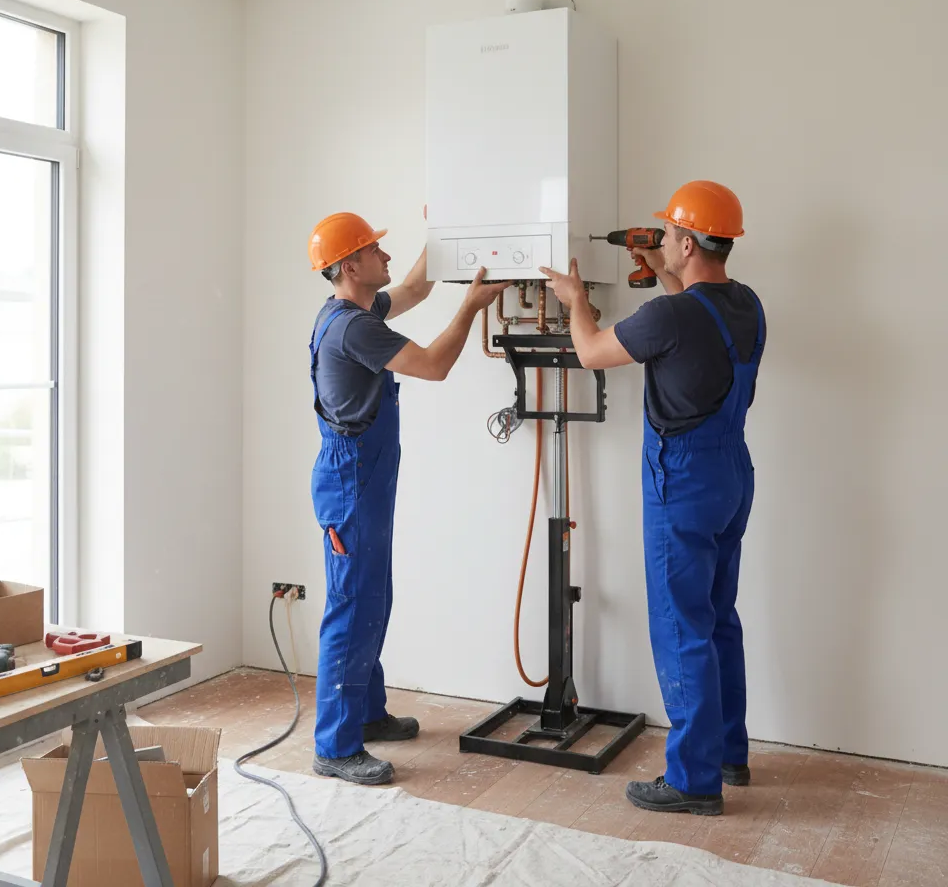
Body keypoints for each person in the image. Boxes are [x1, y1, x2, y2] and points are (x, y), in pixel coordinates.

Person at [540, 181, 765, 816]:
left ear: (690, 243)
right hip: (731, 472)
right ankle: (728, 753)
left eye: (668, 234)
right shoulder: (744, 304)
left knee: (679, 625)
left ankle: (693, 783)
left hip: (682, 482)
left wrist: (576, 299)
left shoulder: (670, 317)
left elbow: (588, 352)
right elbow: (693, 326)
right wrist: (665, 273)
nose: (661, 240)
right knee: (718, 617)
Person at [307, 211, 510, 786]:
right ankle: (336, 746)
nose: (387, 259)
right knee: (352, 606)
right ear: (351, 265)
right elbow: (436, 366)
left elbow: (418, 285)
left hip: (362, 476)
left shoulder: (355, 312)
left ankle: (366, 714)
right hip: (351, 482)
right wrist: (470, 307)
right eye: (376, 250)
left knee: (373, 595)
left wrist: (448, 224)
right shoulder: (354, 328)